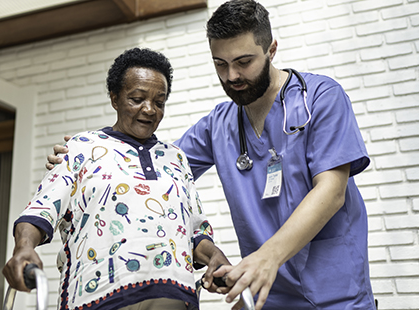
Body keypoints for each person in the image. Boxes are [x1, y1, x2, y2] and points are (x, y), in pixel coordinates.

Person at [46, 1, 376, 309]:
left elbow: (332, 192)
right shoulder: (218, 125)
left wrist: (267, 257)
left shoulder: (319, 98)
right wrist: (91, 155)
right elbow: (157, 174)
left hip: (337, 294)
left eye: (244, 62)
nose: (232, 76)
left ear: (271, 50)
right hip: (264, 294)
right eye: (221, 64)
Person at [3, 47, 230, 310]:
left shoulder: (176, 158)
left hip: (172, 298)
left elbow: (194, 232)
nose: (150, 109)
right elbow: (39, 212)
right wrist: (23, 248)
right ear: (114, 98)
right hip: (98, 297)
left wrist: (214, 255)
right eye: (137, 98)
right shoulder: (82, 147)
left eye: (159, 102)